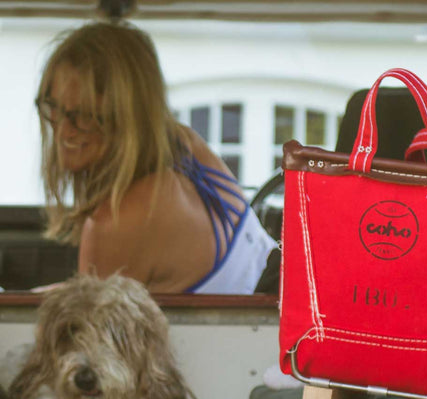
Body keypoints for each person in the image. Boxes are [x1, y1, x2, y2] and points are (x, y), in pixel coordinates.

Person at [36, 21, 277, 294]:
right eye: (54, 108)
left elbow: (86, 332)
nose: (64, 132)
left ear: (127, 116)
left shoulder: (116, 223)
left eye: (85, 115)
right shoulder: (187, 146)